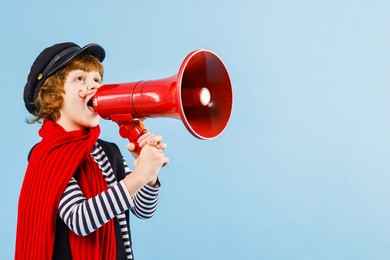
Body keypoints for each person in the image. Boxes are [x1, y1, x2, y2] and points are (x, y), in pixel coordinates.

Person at [15, 42, 169, 260]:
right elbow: (80, 220)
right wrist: (139, 175)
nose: (94, 86)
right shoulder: (47, 155)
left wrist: (150, 176)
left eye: (97, 79)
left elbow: (143, 210)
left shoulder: (109, 151)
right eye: (80, 78)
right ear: (53, 95)